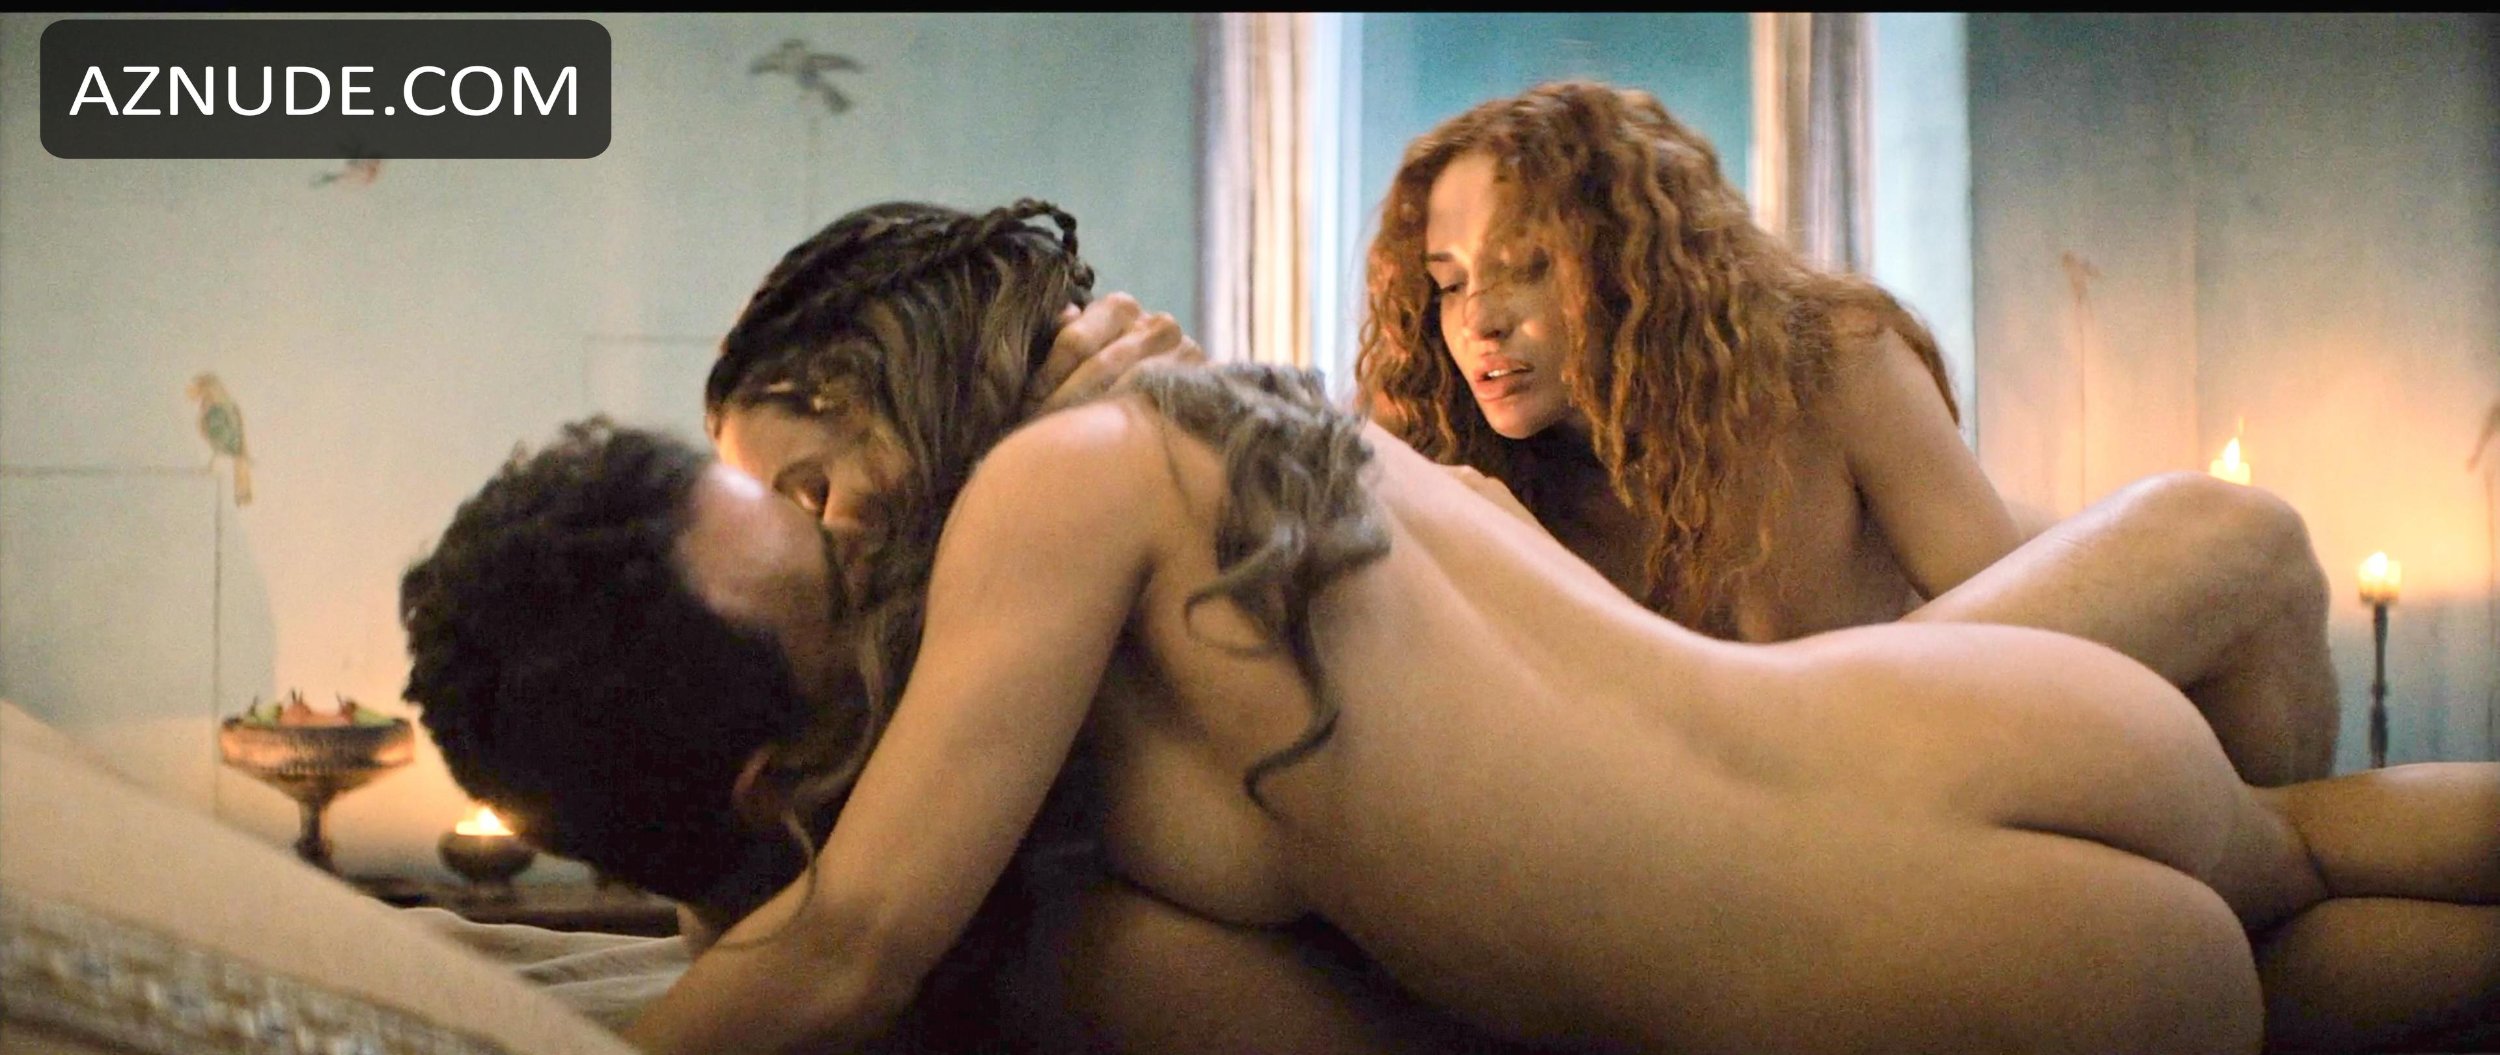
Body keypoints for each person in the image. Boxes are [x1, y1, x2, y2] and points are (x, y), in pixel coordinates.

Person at [403, 201, 2498, 1055]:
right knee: (2301, 877)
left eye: (813, 477)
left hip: (1935, 960)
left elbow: (853, 941)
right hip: (1991, 730)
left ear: (891, 374)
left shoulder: (1048, 506)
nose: (837, 538)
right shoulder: (1201, 424)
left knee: (2252, 959)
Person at [1354, 80, 2340, 786]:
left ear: (1625, 262)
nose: (1477, 321)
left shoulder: (1826, 359)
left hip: (1910, 751)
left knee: (2244, 537)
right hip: (1768, 803)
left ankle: (2275, 845)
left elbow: (2024, 662)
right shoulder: (1450, 468)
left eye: (1526, 266)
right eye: (1447, 283)